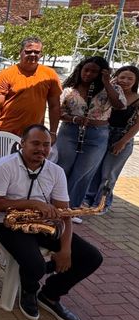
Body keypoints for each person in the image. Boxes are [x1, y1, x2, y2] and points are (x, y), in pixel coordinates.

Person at [0, 124, 103, 320]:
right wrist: (33, 203)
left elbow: (64, 214)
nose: (41, 149)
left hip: (42, 224)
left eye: (46, 145)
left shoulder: (55, 172)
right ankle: (29, 288)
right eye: (35, 143)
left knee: (92, 257)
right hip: (7, 223)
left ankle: (50, 295)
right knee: (35, 264)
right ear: (22, 143)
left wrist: (65, 250)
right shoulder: (4, 166)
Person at [56, 57, 125, 210]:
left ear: (102, 73)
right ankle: (55, 204)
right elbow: (58, 112)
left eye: (94, 71)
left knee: (83, 172)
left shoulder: (112, 88)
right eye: (86, 70)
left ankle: (70, 208)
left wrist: (107, 83)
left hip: (97, 134)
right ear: (80, 69)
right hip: (70, 132)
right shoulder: (69, 87)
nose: (88, 74)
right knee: (62, 168)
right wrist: (75, 119)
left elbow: (119, 105)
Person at [86, 65, 139, 210]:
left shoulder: (136, 99)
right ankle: (89, 199)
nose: (125, 81)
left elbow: (137, 125)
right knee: (94, 169)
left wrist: (122, 142)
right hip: (103, 134)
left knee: (108, 174)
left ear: (136, 81)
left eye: (130, 78)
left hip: (122, 138)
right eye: (122, 77)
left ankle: (102, 203)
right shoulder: (110, 94)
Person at [0, 37, 62, 139]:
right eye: (28, 51)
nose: (32, 55)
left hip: (34, 134)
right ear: (20, 52)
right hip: (6, 132)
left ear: (41, 54)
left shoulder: (50, 74)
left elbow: (54, 106)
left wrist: (53, 133)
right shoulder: (5, 74)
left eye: (36, 52)